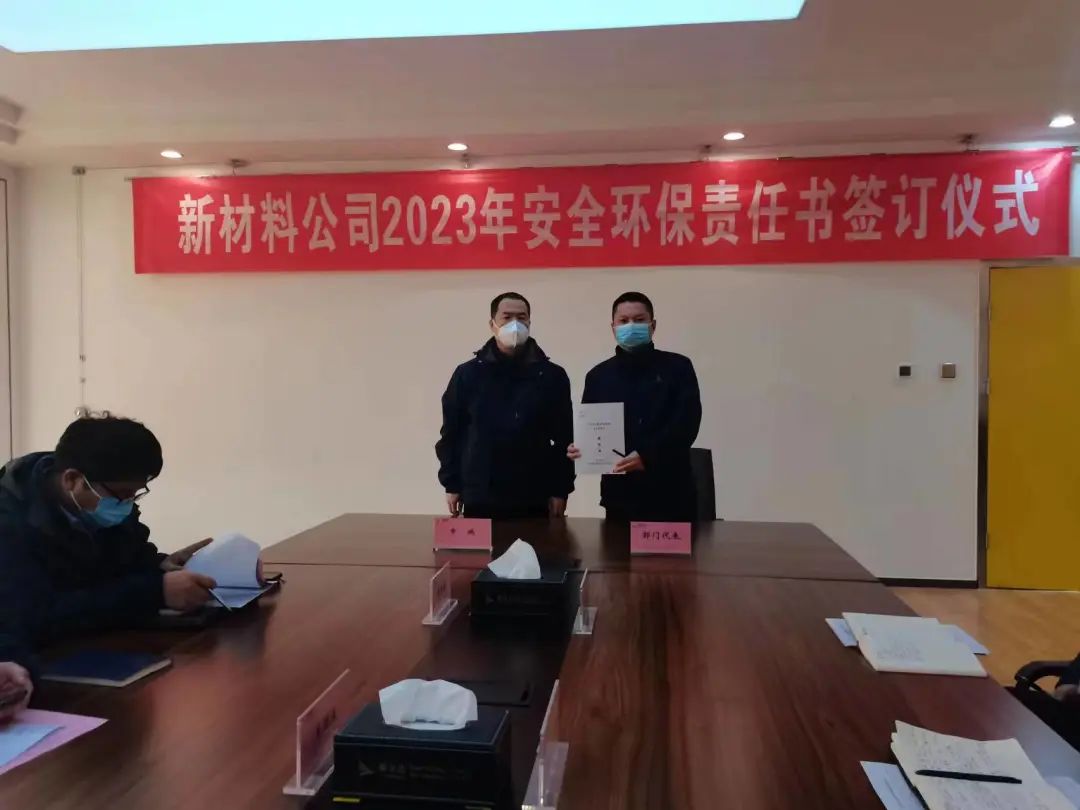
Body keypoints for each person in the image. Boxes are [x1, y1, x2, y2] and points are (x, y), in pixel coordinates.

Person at [0, 415, 218, 658]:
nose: (127, 504)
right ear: (72, 480)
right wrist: (155, 592)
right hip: (40, 662)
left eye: (136, 494)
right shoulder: (9, 521)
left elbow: (124, 566)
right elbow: (36, 615)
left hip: (106, 645)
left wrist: (160, 566)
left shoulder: (108, 503)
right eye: (123, 494)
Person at [437, 292, 575, 520]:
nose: (515, 324)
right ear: (492, 324)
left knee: (537, 545)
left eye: (521, 317)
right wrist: (451, 484)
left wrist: (561, 489)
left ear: (529, 322)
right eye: (507, 317)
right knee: (481, 546)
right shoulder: (468, 374)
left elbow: (564, 437)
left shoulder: (552, 376)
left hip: (534, 493)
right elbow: (452, 433)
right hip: (480, 493)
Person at [569, 292, 702, 521]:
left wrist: (647, 456)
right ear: (613, 328)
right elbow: (591, 426)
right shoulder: (598, 376)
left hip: (671, 492)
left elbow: (687, 423)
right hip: (620, 497)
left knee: (674, 547)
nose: (631, 326)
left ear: (653, 325)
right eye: (623, 321)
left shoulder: (678, 367)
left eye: (639, 320)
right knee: (616, 547)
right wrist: (581, 448)